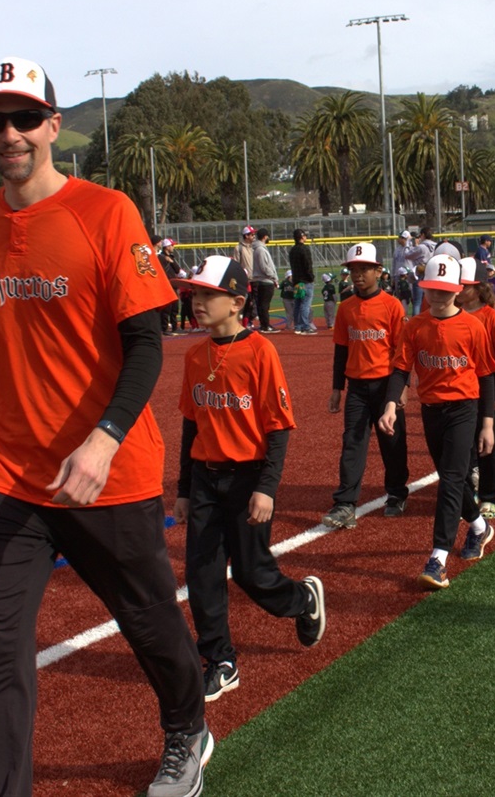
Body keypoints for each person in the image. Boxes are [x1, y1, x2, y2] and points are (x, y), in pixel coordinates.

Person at [0, 56, 210, 797]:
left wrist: (103, 440)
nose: (11, 134)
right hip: (7, 478)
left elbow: (146, 343)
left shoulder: (105, 211)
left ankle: (188, 729)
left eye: (25, 118)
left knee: (149, 620)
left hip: (109, 471)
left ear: (53, 126)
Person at [172, 254, 325, 702]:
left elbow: (278, 427)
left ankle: (301, 599)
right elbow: (190, 425)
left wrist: (266, 488)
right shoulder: (195, 355)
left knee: (251, 574)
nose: (196, 301)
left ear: (237, 302)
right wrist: (183, 489)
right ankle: (220, 659)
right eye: (194, 293)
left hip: (247, 479)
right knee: (201, 575)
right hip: (205, 478)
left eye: (207, 294)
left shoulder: (260, 351)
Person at [378, 254, 495, 590]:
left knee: (449, 480)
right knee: (453, 478)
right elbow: (401, 368)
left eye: (445, 290)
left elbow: (488, 375)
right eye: (432, 289)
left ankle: (438, 558)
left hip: (464, 410)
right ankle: (478, 528)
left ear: (459, 289)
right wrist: (390, 404)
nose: (438, 295)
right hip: (431, 410)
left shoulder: (474, 326)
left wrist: (487, 423)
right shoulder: (415, 326)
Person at [323, 242, 410, 529]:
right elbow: (341, 350)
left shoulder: (392, 306)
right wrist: (337, 388)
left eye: (364, 269)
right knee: (353, 443)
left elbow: (402, 353)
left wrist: (401, 390)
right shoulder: (346, 307)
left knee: (392, 443)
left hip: (387, 386)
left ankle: (396, 493)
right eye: (353, 270)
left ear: (378, 271)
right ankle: (345, 503)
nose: (358, 275)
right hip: (357, 388)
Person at [457, 257, 495, 520]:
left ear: (478, 287)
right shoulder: (452, 313)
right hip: (462, 391)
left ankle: (490, 496)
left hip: (489, 390)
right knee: (464, 448)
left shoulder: (491, 317)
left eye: (465, 284)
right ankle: (469, 495)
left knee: (490, 448)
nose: (459, 288)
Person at [288, 228, 317, 334]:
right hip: (305, 280)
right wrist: (311, 277)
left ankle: (298, 326)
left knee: (298, 304)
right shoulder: (304, 249)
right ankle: (305, 326)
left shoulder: (292, 250)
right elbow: (307, 264)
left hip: (296, 280)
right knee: (305, 304)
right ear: (301, 237)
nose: (306, 237)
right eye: (304, 235)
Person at [250, 228, 278, 333]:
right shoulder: (260, 249)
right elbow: (264, 266)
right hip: (265, 280)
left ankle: (264, 325)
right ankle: (265, 325)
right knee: (264, 305)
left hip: (263, 279)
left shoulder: (258, 248)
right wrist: (273, 276)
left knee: (263, 304)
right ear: (265, 237)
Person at [233, 225, 257, 326]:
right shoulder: (239, 248)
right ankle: (242, 323)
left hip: (255, 278)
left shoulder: (254, 247)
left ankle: (249, 321)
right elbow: (236, 263)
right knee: (244, 302)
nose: (254, 236)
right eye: (252, 234)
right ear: (246, 236)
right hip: (245, 280)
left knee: (253, 303)